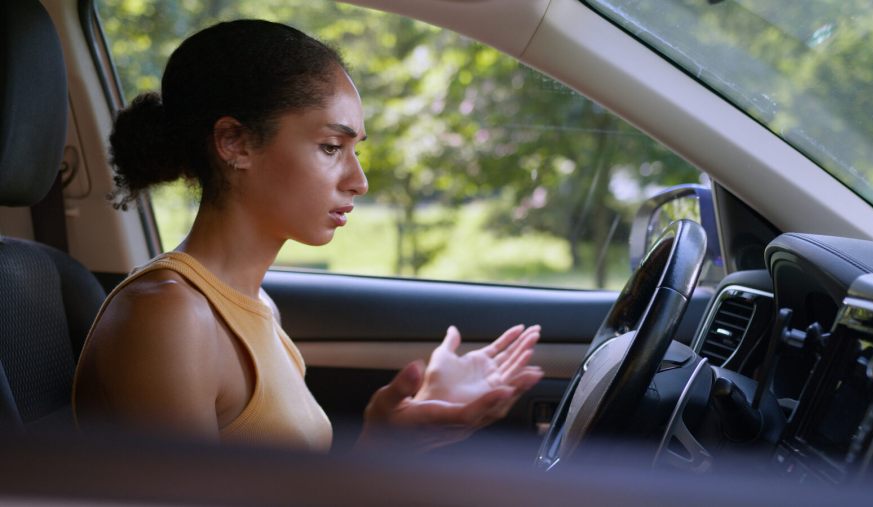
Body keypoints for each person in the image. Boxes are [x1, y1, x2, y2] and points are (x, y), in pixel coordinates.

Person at [71, 19, 544, 452]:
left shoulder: (255, 305)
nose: (358, 180)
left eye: (355, 150)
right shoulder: (167, 316)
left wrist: (387, 441)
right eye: (331, 147)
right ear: (234, 143)